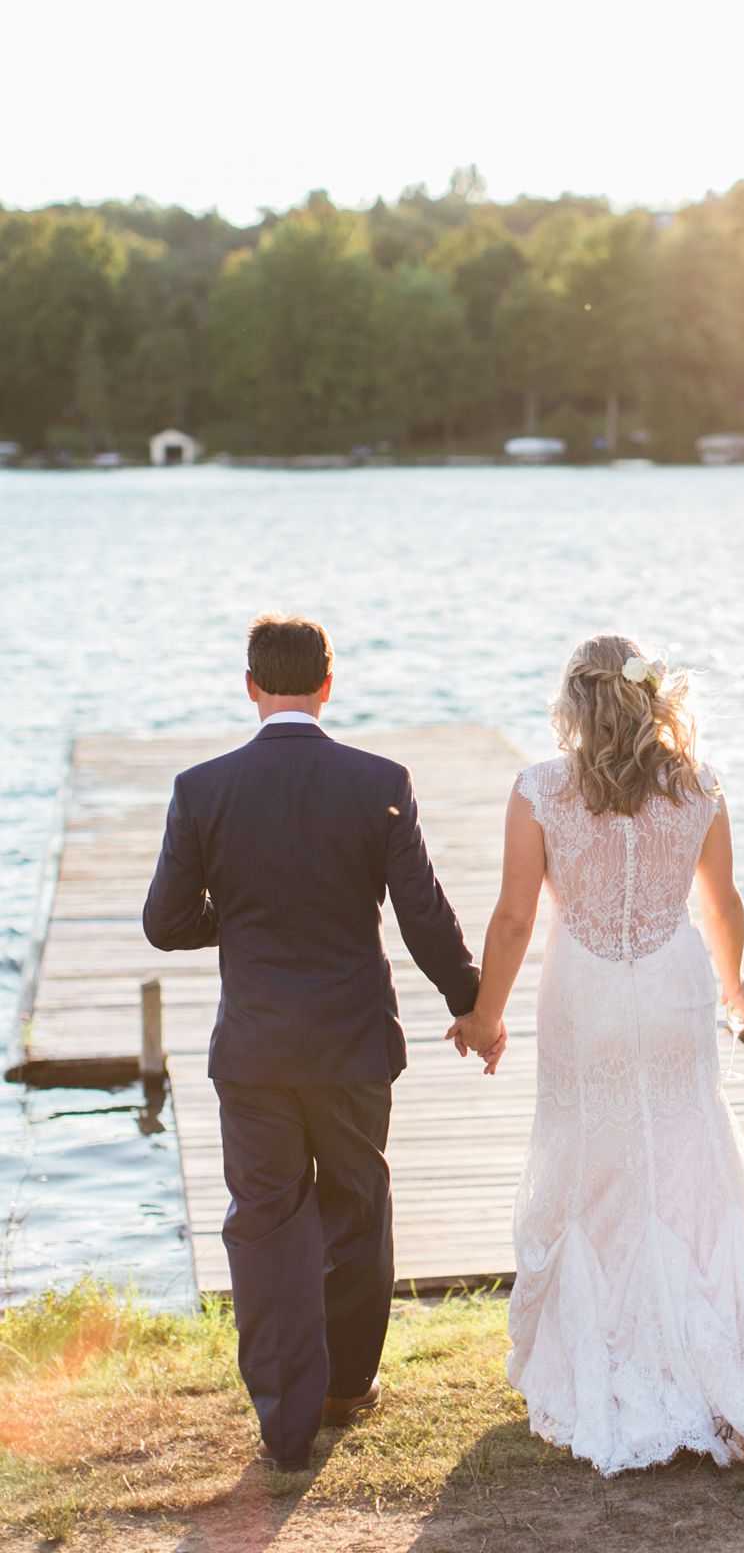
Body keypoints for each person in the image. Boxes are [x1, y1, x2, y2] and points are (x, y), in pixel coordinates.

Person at [448, 633, 744, 1475]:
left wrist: (484, 1015)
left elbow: (515, 920)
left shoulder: (539, 791)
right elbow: (722, 903)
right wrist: (737, 983)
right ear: (647, 698)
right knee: (689, 1159)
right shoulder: (698, 788)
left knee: (591, 1159)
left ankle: (611, 1357)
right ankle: (722, 1369)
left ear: (574, 704)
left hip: (585, 997)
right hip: (671, 991)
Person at [142, 614, 501, 1472]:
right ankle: (346, 1386)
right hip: (350, 1047)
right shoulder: (377, 780)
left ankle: (285, 1423)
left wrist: (236, 918)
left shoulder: (202, 787)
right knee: (356, 1206)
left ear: (252, 687)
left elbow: (163, 924)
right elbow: (424, 915)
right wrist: (472, 1005)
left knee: (264, 1226)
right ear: (328, 686)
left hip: (257, 1053)